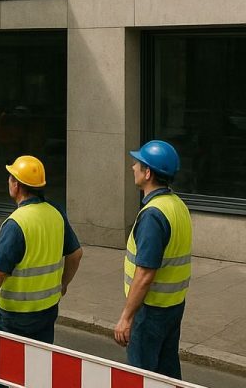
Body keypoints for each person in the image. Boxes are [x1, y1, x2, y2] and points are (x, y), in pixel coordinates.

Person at [0, 155, 83, 346]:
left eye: (10, 178)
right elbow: (76, 254)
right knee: (41, 365)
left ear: (16, 185)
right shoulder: (56, 212)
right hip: (48, 308)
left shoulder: (17, 223)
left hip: (17, 316)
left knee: (13, 370)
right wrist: (62, 285)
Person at [114, 140, 192, 379]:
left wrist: (126, 317)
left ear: (148, 173)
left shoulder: (153, 215)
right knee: (167, 374)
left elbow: (146, 274)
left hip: (150, 311)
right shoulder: (177, 205)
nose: (132, 167)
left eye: (137, 164)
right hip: (173, 306)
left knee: (142, 377)